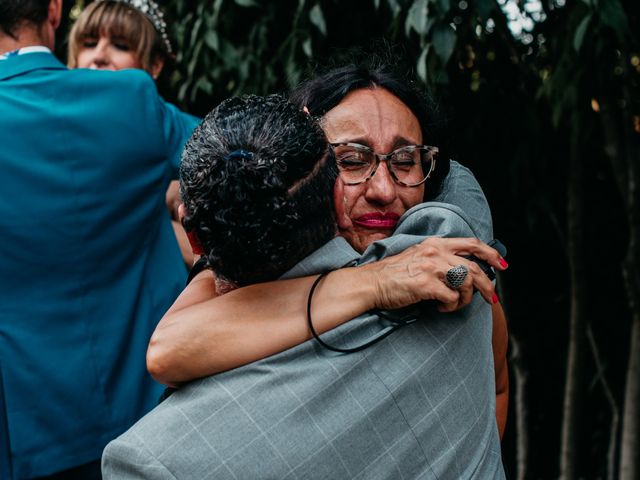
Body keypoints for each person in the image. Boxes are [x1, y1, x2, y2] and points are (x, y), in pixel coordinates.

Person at [102, 94, 507, 479]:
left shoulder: (151, 458)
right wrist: (372, 281)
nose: (383, 189)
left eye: (405, 159)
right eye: (351, 159)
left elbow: (169, 349)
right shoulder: (454, 238)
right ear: (327, 189)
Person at [0, 0, 199, 478]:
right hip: (144, 413)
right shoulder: (132, 104)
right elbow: (253, 157)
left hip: (24, 431)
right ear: (54, 11)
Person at [67, 0, 195, 266]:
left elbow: (227, 147)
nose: (99, 56)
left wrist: (179, 190)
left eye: (121, 46)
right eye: (89, 44)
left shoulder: (158, 121)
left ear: (155, 66)